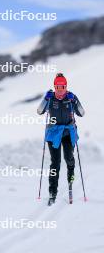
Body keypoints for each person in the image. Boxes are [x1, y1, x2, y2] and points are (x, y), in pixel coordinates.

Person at [37, 73, 85, 205]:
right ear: (55, 86)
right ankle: (52, 192)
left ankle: (71, 177)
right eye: (57, 87)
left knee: (69, 157)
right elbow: (39, 111)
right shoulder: (50, 98)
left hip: (68, 132)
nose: (59, 90)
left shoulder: (71, 98)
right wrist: (45, 99)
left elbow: (81, 113)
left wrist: (75, 101)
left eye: (62, 87)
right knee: (55, 163)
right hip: (53, 133)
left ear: (66, 86)